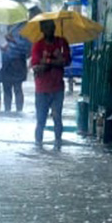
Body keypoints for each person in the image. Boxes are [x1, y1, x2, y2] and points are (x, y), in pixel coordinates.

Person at [30, 19, 72, 149]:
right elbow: (36, 66)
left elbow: (66, 61)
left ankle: (58, 144)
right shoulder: (38, 45)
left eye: (52, 27)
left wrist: (49, 61)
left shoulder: (62, 42)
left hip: (57, 87)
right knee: (41, 119)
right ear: (42, 30)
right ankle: (38, 145)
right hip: (42, 88)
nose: (51, 30)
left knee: (57, 117)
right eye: (47, 28)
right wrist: (54, 60)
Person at [0, 24, 32, 113]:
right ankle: (14, 111)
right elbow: (28, 51)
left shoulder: (21, 32)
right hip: (13, 62)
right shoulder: (22, 32)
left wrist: (12, 41)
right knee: (13, 88)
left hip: (11, 62)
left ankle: (13, 111)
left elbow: (28, 50)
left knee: (12, 89)